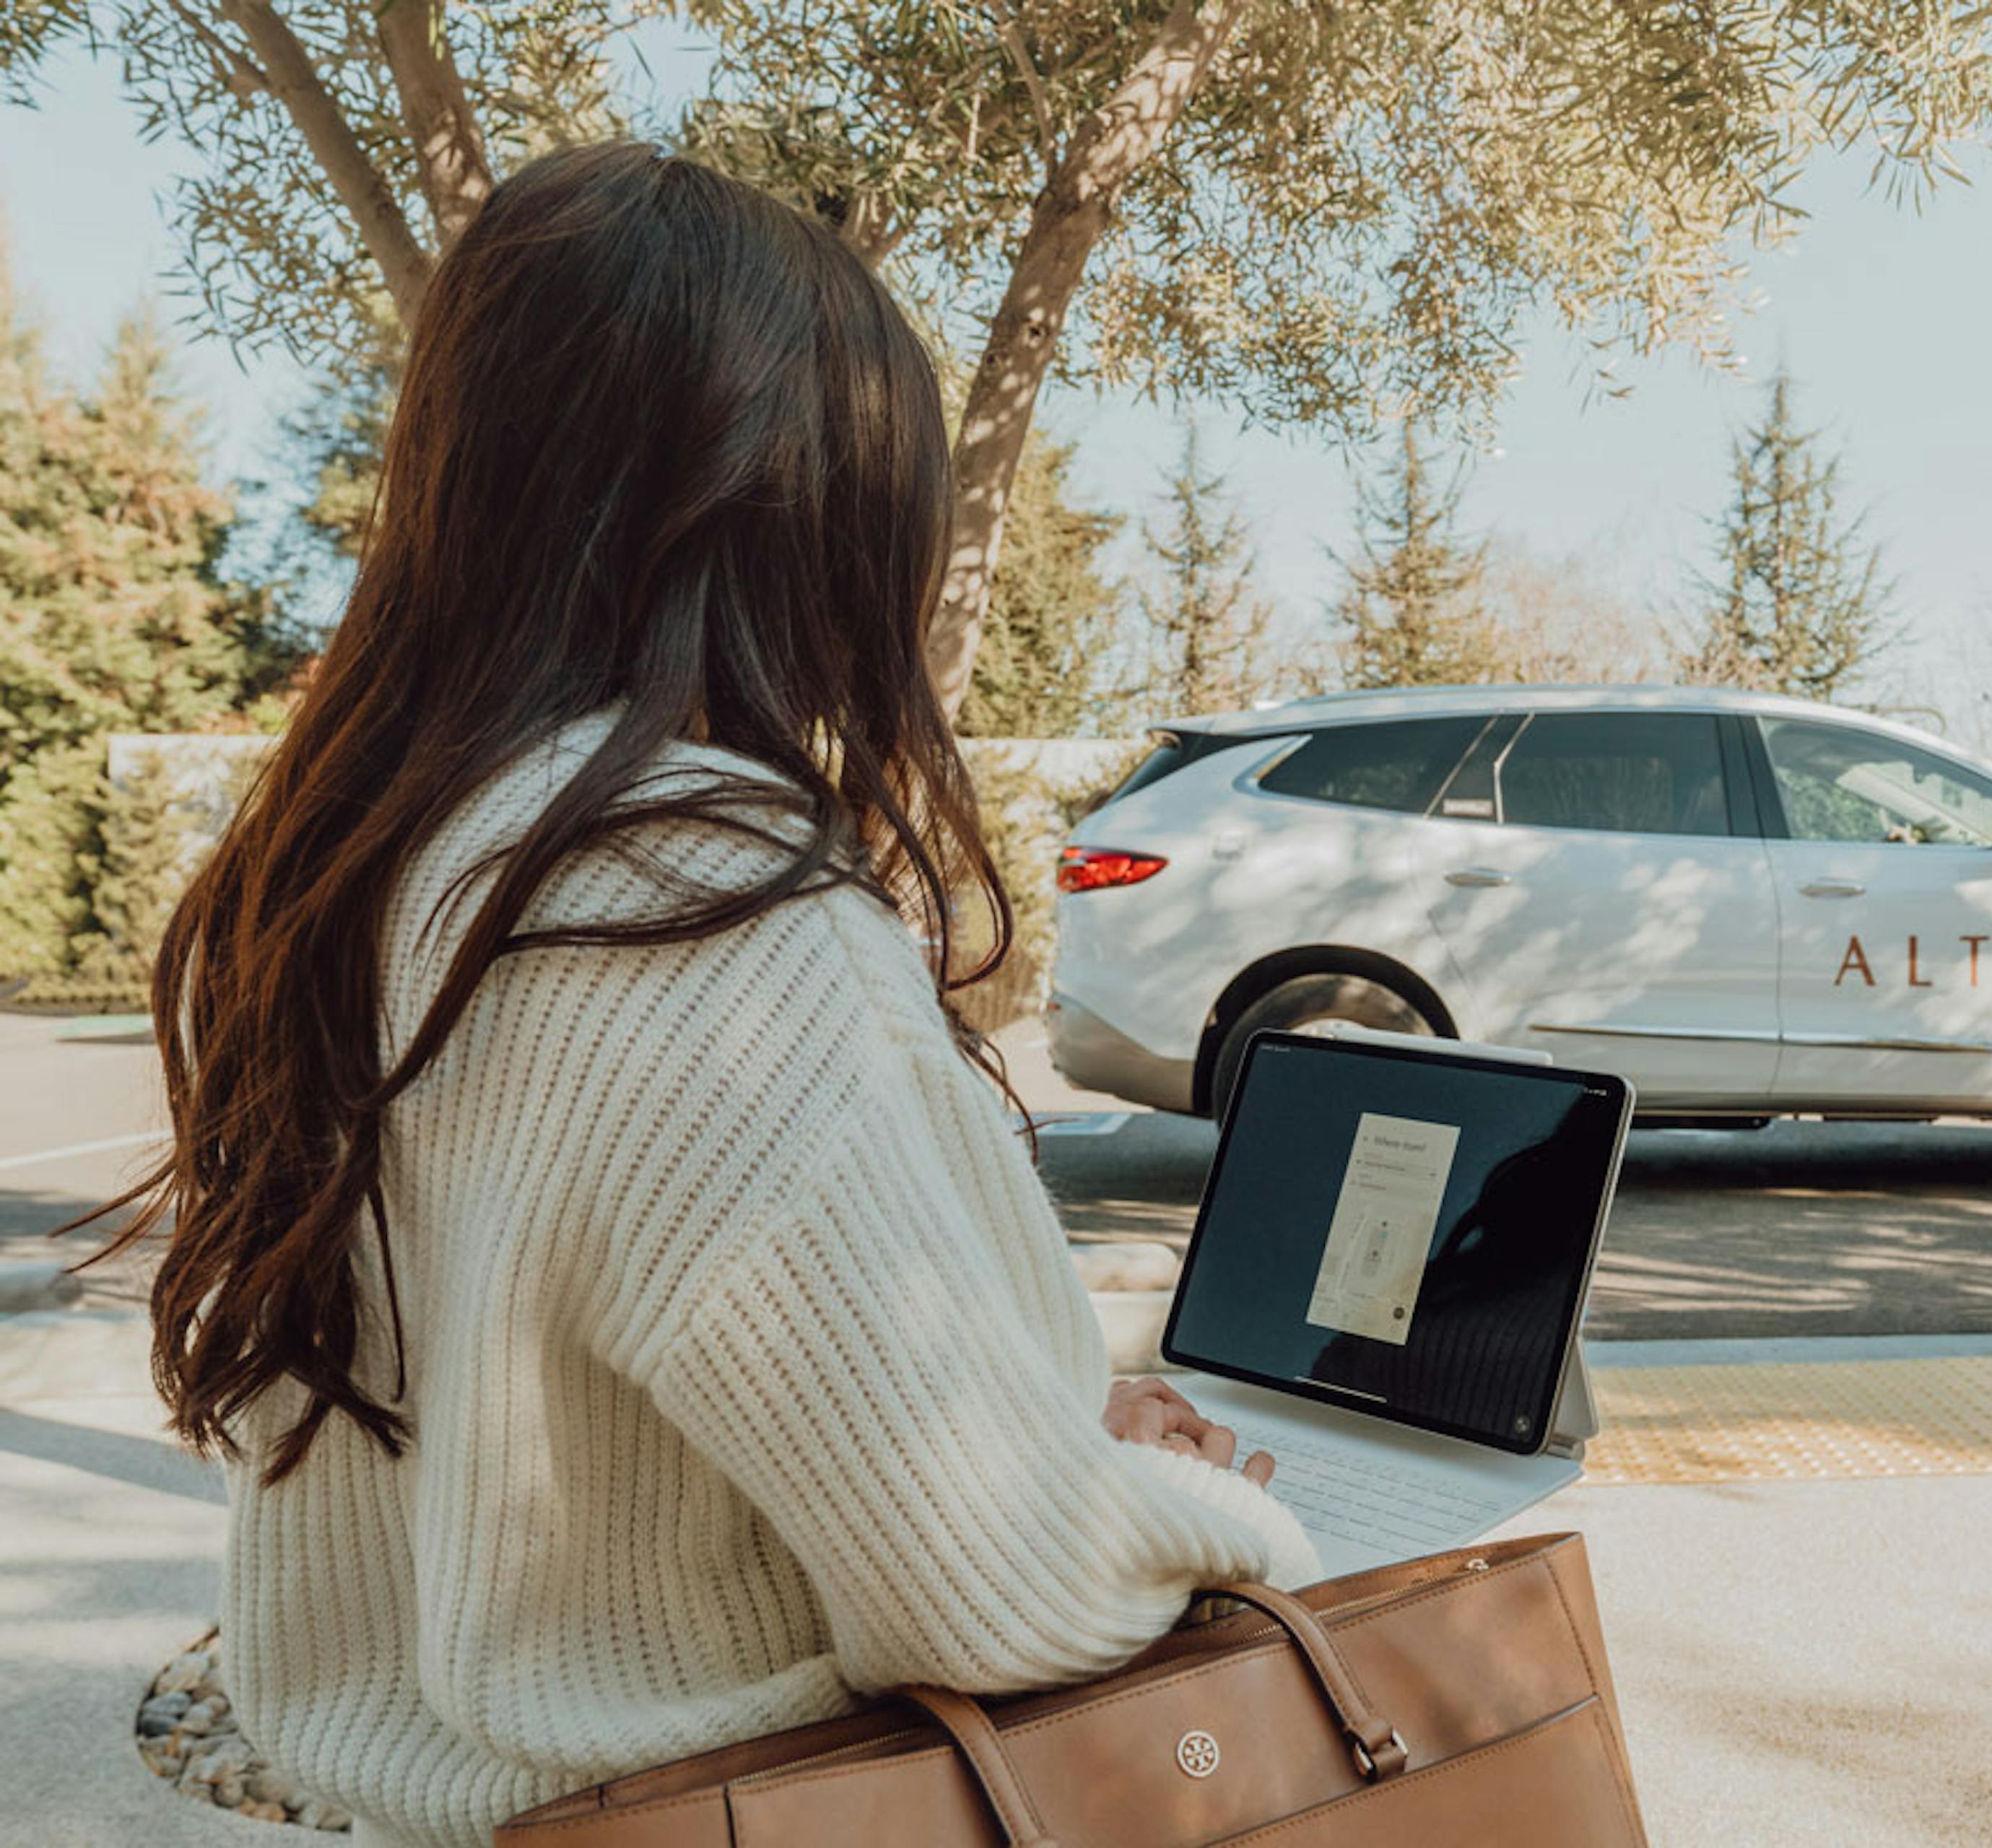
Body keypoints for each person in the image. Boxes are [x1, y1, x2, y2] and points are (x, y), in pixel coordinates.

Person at [83, 142, 1318, 1848]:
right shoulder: (697, 909)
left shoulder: (348, 876)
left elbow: (618, 1424)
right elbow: (997, 1596)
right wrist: (1202, 1507)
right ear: (798, 524)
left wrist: (1036, 1416)